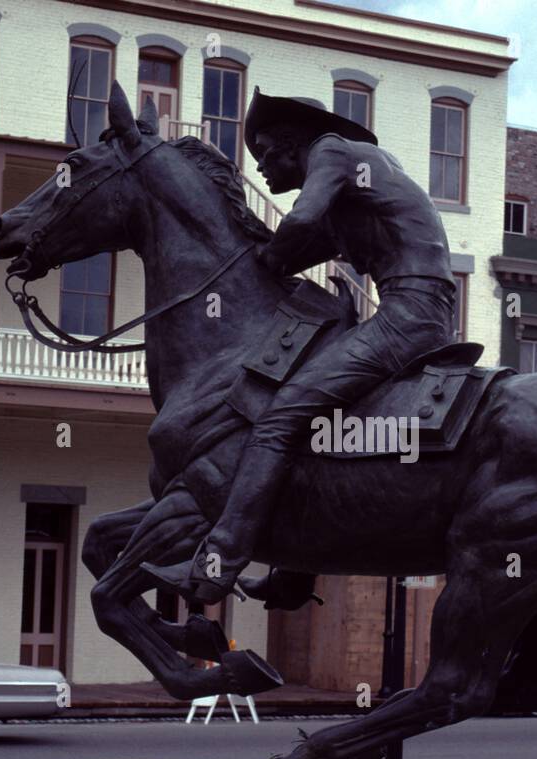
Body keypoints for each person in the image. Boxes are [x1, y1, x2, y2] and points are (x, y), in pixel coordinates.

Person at [143, 88, 456, 604]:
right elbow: (284, 257)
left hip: (410, 314)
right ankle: (294, 571)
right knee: (317, 417)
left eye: (266, 153)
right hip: (411, 311)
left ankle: (220, 559)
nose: (262, 167)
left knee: (282, 416)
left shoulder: (332, 152)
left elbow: (300, 225)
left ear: (293, 145)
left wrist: (264, 252)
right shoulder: (352, 194)